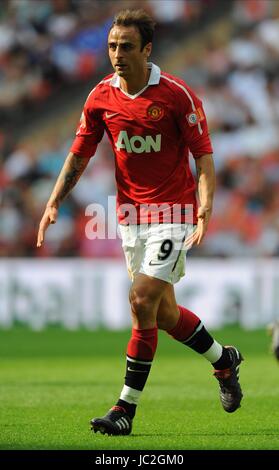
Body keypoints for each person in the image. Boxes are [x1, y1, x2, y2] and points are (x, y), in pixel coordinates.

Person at [37, 9, 244, 436]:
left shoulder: (175, 95)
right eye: (112, 45)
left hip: (174, 213)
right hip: (131, 217)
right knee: (164, 314)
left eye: (126, 46)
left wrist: (205, 206)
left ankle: (124, 409)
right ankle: (223, 360)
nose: (116, 54)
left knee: (141, 299)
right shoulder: (100, 97)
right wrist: (54, 201)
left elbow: (203, 157)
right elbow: (79, 154)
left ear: (147, 49)